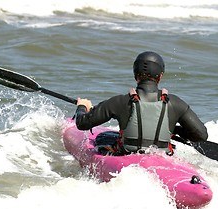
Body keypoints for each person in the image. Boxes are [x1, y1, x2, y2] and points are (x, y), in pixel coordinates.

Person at [74, 51, 208, 155]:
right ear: (160, 76)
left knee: (103, 137)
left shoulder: (119, 102)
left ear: (135, 75)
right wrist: (175, 130)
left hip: (127, 156)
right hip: (161, 158)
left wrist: (82, 106)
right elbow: (201, 135)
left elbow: (82, 123)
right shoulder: (176, 103)